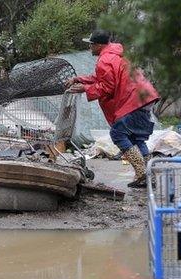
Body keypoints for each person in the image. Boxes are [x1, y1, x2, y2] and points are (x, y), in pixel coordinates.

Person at [66, 29, 160, 188]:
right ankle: (150, 174)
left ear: (98, 45)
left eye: (91, 45)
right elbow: (99, 78)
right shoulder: (114, 55)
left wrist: (85, 89)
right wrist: (78, 79)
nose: (90, 48)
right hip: (144, 97)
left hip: (134, 100)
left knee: (118, 134)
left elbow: (107, 87)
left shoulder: (105, 60)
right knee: (136, 138)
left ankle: (143, 173)